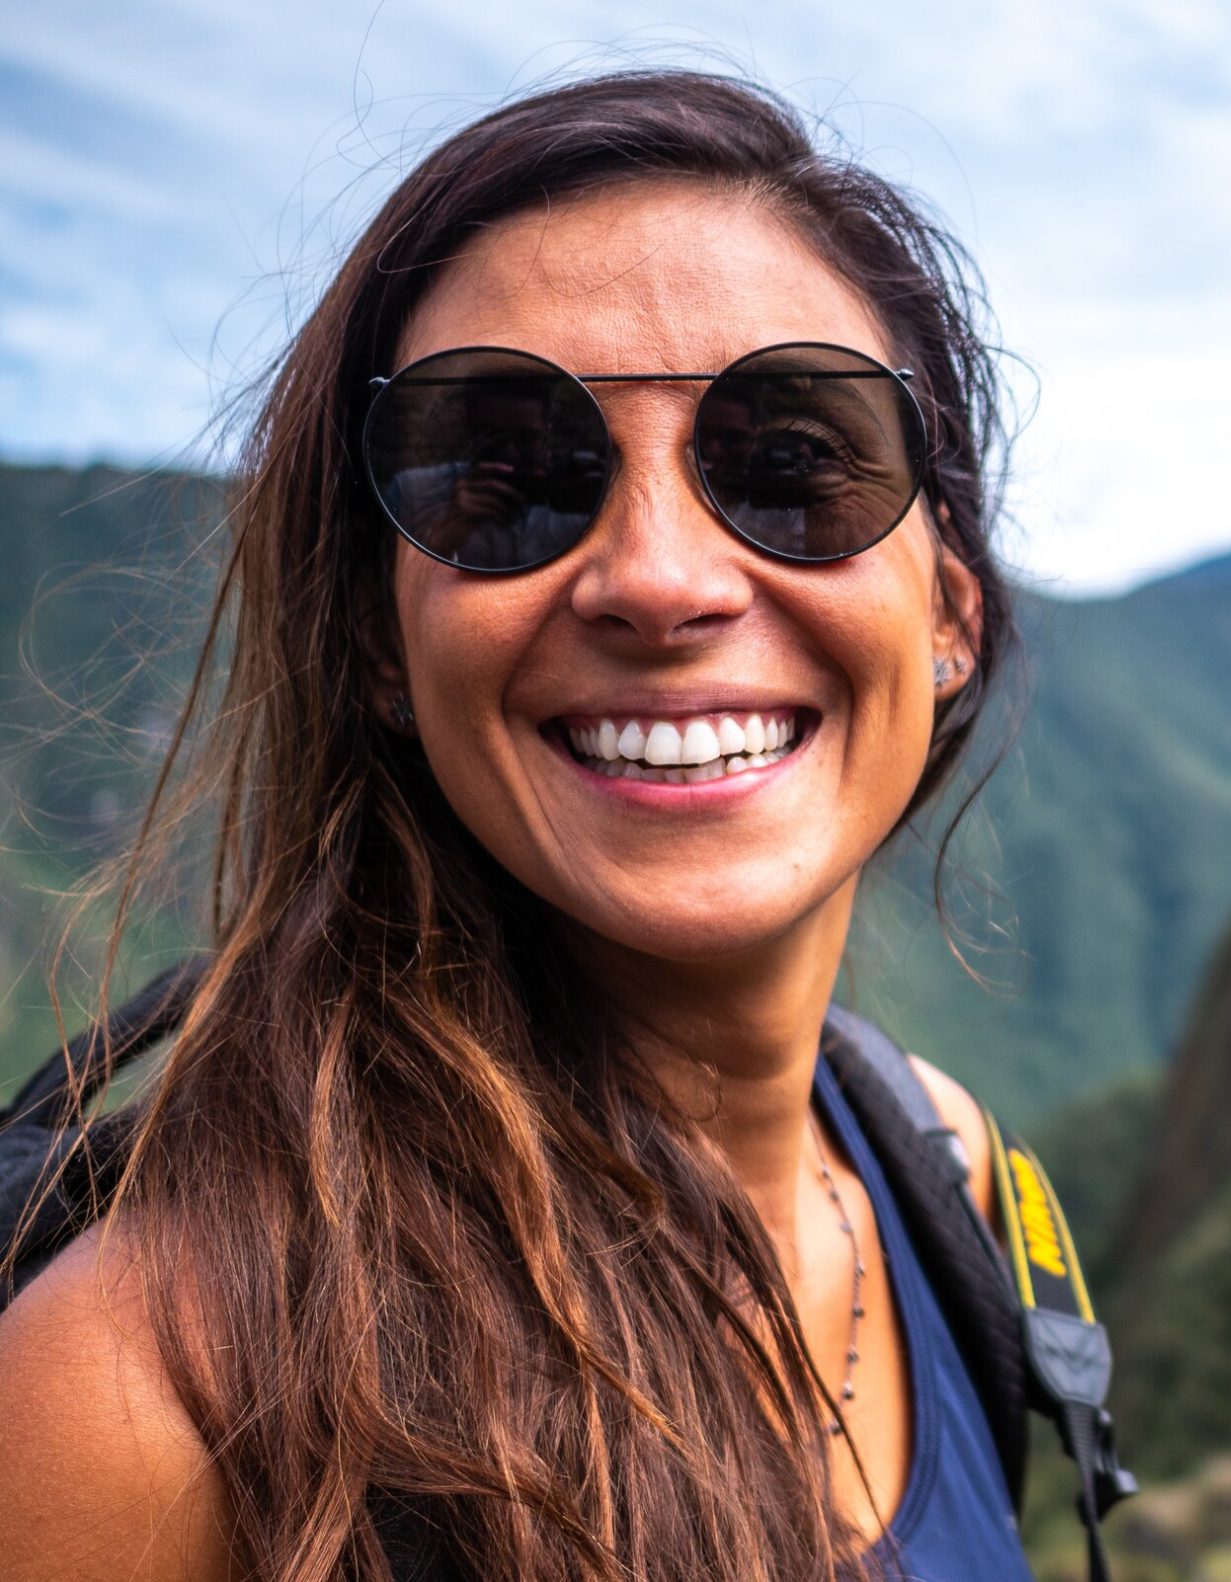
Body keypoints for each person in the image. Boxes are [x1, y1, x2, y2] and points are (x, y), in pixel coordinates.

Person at [0, 70, 1048, 1580]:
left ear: (947, 607)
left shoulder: (939, 1168)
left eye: (789, 467)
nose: (662, 577)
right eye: (510, 482)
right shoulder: (150, 1399)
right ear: (377, 636)